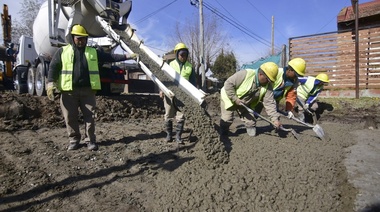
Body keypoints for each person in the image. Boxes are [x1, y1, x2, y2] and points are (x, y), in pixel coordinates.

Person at [47, 24, 138, 151]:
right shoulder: (63, 51)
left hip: (88, 91)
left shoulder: (93, 52)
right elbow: (53, 67)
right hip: (69, 91)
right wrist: (50, 83)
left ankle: (90, 140)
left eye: (83, 38)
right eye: (78, 38)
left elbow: (110, 57)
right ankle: (74, 140)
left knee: (90, 117)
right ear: (73, 38)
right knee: (70, 117)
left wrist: (127, 56)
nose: (81, 41)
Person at [219, 62, 282, 137]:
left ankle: (250, 133)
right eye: (268, 79)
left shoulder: (268, 86)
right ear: (261, 74)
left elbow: (269, 103)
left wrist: (275, 119)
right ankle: (223, 134)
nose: (269, 82)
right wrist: (235, 98)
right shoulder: (245, 74)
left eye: (271, 81)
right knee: (227, 119)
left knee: (251, 124)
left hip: (244, 103)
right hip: (229, 97)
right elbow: (228, 84)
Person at [160, 42, 196, 144]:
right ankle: (169, 135)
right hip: (169, 93)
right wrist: (161, 90)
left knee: (181, 116)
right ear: (177, 54)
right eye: (181, 55)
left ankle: (178, 137)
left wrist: (193, 95)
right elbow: (163, 78)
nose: (183, 57)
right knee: (168, 114)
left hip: (183, 96)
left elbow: (193, 83)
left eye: (185, 55)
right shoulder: (170, 64)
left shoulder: (190, 67)